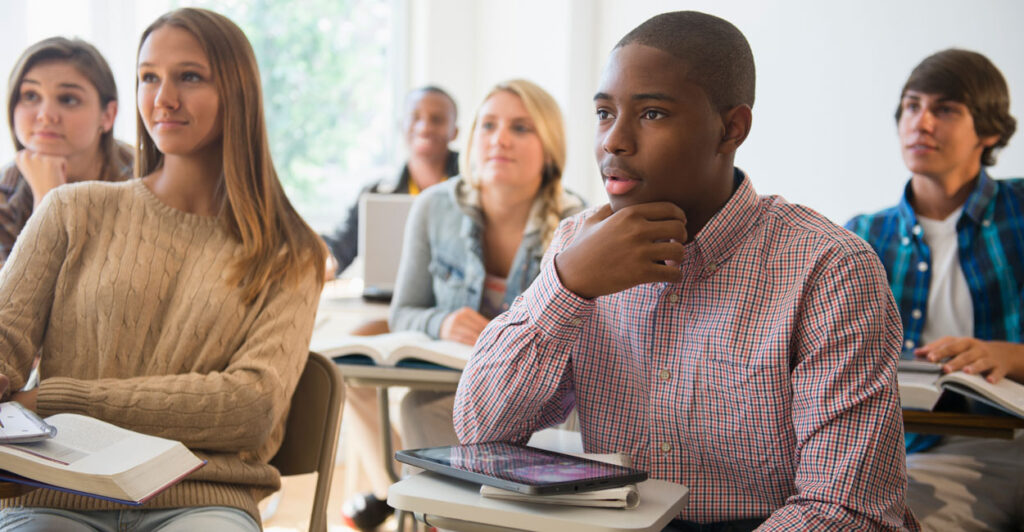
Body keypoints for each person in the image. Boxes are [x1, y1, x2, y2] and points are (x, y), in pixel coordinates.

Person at [454, 11, 918, 531]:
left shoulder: (830, 268)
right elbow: (479, 432)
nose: (614, 141)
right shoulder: (576, 247)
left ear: (731, 129)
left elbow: (845, 510)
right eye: (604, 114)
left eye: (651, 114)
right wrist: (566, 285)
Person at [0, 8, 326, 531]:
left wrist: (56, 400)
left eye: (189, 77)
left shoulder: (291, 252)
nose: (163, 98)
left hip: (202, 499)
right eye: (149, 77)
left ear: (237, 93)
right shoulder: (69, 210)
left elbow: (250, 408)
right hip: (55, 494)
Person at [341, 79, 585, 531]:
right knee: (416, 406)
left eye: (520, 127)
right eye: (488, 125)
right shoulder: (434, 207)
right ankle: (437, 517)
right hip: (454, 391)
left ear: (549, 149)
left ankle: (449, 514)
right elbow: (405, 311)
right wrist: (443, 320)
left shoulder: (575, 223)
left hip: (533, 401)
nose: (499, 138)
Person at [846, 49, 1022, 531]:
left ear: (988, 131)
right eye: (911, 105)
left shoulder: (1020, 214)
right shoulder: (862, 236)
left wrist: (1009, 356)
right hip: (915, 449)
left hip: (1010, 440)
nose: (920, 123)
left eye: (945, 109)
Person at [1, 36, 133, 263]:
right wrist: (47, 203)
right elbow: (13, 297)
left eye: (68, 99)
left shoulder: (147, 177)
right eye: (30, 96)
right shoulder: (5, 192)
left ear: (108, 115)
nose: (45, 115)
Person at [322, 85, 459, 277]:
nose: (425, 127)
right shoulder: (375, 193)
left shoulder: (475, 189)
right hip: (387, 300)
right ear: (402, 126)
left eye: (437, 120)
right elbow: (339, 250)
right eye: (415, 118)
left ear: (455, 131)